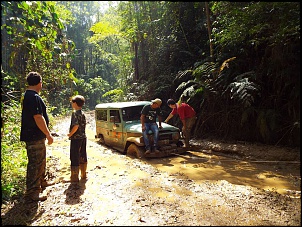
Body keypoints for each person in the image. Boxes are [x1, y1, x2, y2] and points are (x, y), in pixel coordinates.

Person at [20, 71, 54, 202]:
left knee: (40, 161)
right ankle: (32, 193)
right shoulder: (33, 97)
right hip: (34, 136)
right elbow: (38, 117)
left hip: (34, 135)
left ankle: (41, 183)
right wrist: (48, 134)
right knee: (35, 163)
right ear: (40, 83)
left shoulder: (29, 96)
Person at [67, 95, 87, 184]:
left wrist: (70, 134)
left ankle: (75, 178)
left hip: (76, 138)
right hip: (83, 137)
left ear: (75, 103)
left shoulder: (75, 113)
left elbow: (76, 126)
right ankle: (83, 175)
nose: (71, 103)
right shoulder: (83, 113)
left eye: (72, 102)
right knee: (83, 155)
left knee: (74, 156)